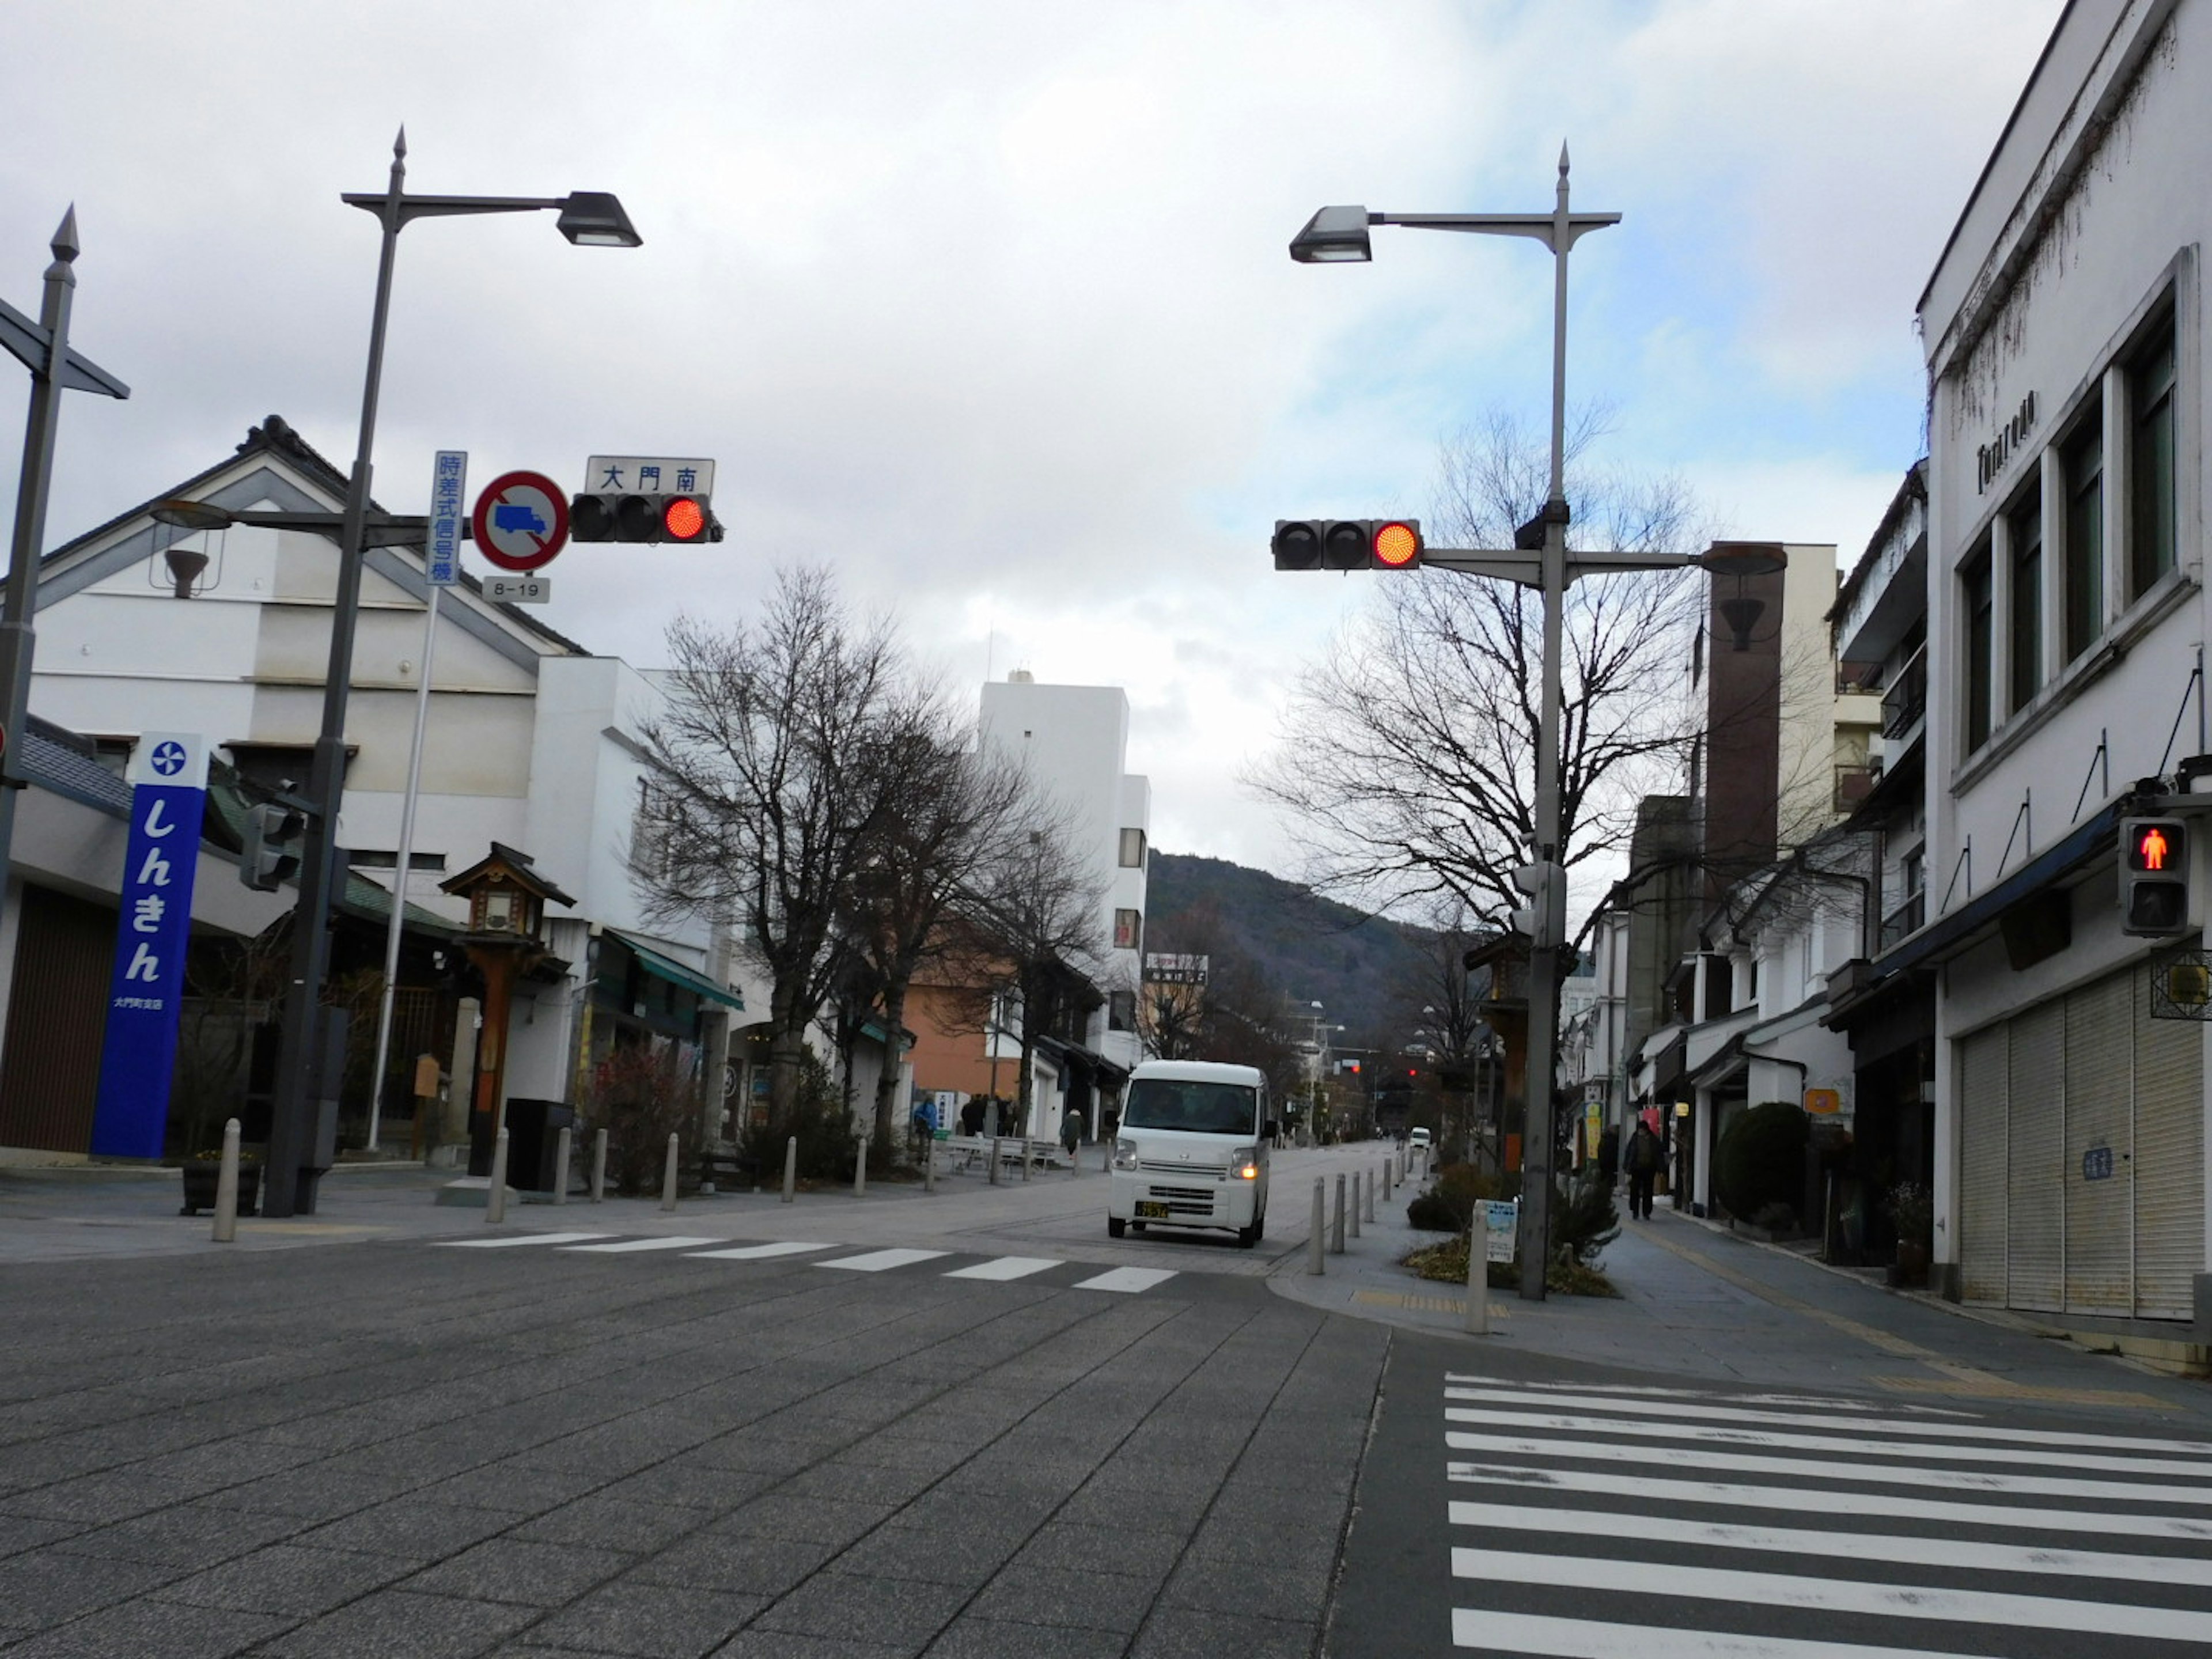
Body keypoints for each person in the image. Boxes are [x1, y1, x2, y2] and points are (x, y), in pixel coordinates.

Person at [1624, 1119, 1662, 1219]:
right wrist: (1627, 1167)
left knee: (1648, 1191)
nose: (1641, 1131)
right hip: (1636, 1168)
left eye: (1642, 1129)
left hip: (1649, 1168)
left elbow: (1659, 1155)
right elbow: (1629, 1154)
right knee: (1635, 1190)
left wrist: (1661, 1168)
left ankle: (1647, 1212)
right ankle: (1635, 1211)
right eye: (1639, 1129)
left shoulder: (1654, 1140)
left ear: (1646, 1130)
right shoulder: (1634, 1139)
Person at [1595, 1124, 1620, 1195]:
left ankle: (1603, 1192)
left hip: (1604, 1163)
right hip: (1610, 1163)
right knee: (1609, 1179)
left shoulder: (1604, 1139)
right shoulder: (1613, 1140)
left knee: (1605, 1179)